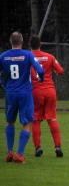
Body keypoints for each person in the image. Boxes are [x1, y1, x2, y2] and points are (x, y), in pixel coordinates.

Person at [0, 31, 44, 163]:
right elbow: (40, 70)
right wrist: (40, 79)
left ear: (10, 42)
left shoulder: (3, 56)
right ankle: (19, 154)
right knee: (27, 122)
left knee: (10, 121)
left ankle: (9, 151)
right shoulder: (28, 54)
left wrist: (3, 84)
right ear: (23, 41)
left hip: (10, 93)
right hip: (25, 92)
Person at [29, 35, 64, 157]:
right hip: (50, 90)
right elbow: (60, 71)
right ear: (41, 45)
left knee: (36, 119)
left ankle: (38, 147)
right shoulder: (49, 57)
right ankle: (57, 146)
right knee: (52, 118)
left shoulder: (27, 57)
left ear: (29, 45)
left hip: (36, 91)